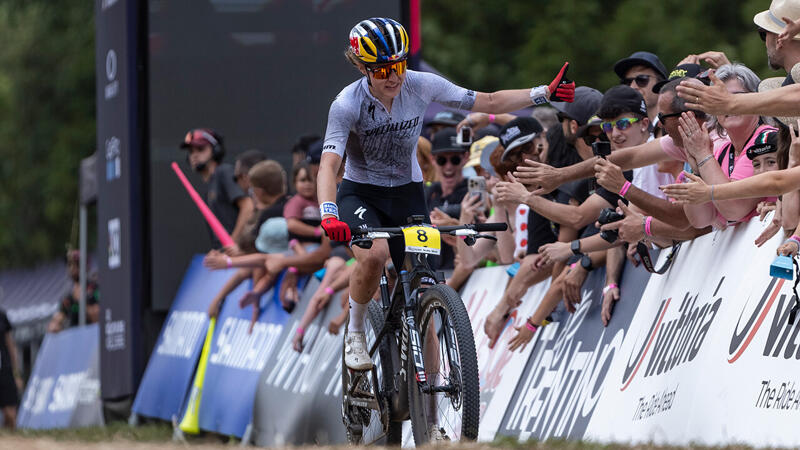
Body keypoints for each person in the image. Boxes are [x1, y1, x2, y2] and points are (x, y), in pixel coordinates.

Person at [317, 17, 575, 376]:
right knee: (374, 256)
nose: (393, 77)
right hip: (362, 193)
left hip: (408, 193)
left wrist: (541, 93)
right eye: (381, 71)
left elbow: (487, 99)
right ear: (362, 67)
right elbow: (329, 165)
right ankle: (357, 331)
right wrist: (329, 213)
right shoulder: (347, 104)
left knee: (423, 286)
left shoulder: (421, 84)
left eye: (399, 65)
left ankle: (433, 423)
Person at [180, 128, 253, 247]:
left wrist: (231, 243)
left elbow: (248, 207)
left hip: (239, 253)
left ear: (216, 150)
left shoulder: (223, 172)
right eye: (191, 151)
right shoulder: (211, 183)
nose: (194, 155)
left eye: (200, 149)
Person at [48, 250, 99, 333]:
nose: (71, 268)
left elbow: (97, 318)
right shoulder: (68, 296)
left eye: (74, 264)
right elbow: (58, 318)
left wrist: (82, 301)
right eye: (69, 265)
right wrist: (54, 325)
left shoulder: (94, 288)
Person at [613, 51, 667, 122]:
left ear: (660, 84)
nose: (632, 87)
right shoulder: (622, 129)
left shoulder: (677, 125)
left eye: (641, 80)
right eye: (627, 82)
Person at [0, 308, 21, 429]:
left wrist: (16, 373)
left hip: (5, 369)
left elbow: (10, 344)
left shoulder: (2, 316)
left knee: (10, 413)